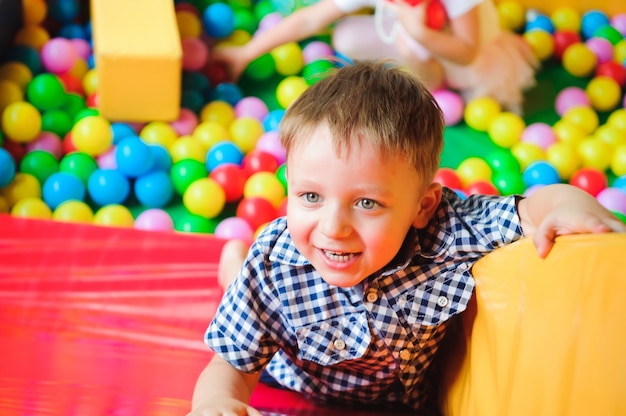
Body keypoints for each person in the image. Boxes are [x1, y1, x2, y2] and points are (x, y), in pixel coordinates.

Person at [188, 60, 625, 416]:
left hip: (404, 399)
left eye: (367, 204)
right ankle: (234, 265)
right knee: (245, 283)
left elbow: (536, 205)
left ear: (423, 207)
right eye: (310, 196)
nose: (333, 227)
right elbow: (231, 363)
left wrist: (571, 205)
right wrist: (216, 403)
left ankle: (236, 264)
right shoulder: (275, 262)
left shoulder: (451, 230)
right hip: (295, 375)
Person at [212, 0, 538, 114]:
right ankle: (420, 58)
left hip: (463, 56)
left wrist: (422, 34)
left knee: (410, 46)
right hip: (409, 34)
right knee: (346, 35)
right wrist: (246, 53)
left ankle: (436, 78)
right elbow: (311, 19)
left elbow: (468, 52)